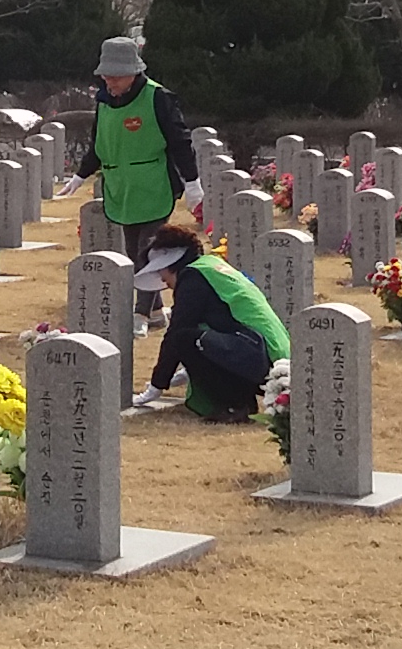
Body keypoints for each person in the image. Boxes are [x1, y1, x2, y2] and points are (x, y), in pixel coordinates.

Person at [79, 35, 197, 316]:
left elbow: (180, 140)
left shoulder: (158, 97)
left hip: (154, 185)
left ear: (134, 72)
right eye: (107, 77)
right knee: (133, 252)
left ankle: (140, 314)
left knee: (148, 251)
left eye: (117, 77)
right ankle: (156, 312)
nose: (111, 83)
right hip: (122, 188)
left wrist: (193, 181)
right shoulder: (104, 101)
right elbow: (99, 142)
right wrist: (80, 175)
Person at [130, 218, 287, 418]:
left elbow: (177, 334)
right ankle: (240, 401)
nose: (161, 279)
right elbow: (221, 324)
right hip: (264, 355)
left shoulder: (192, 279)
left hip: (259, 359)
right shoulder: (210, 266)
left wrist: (157, 385)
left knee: (184, 338)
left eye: (160, 270)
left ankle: (233, 405)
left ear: (171, 263)